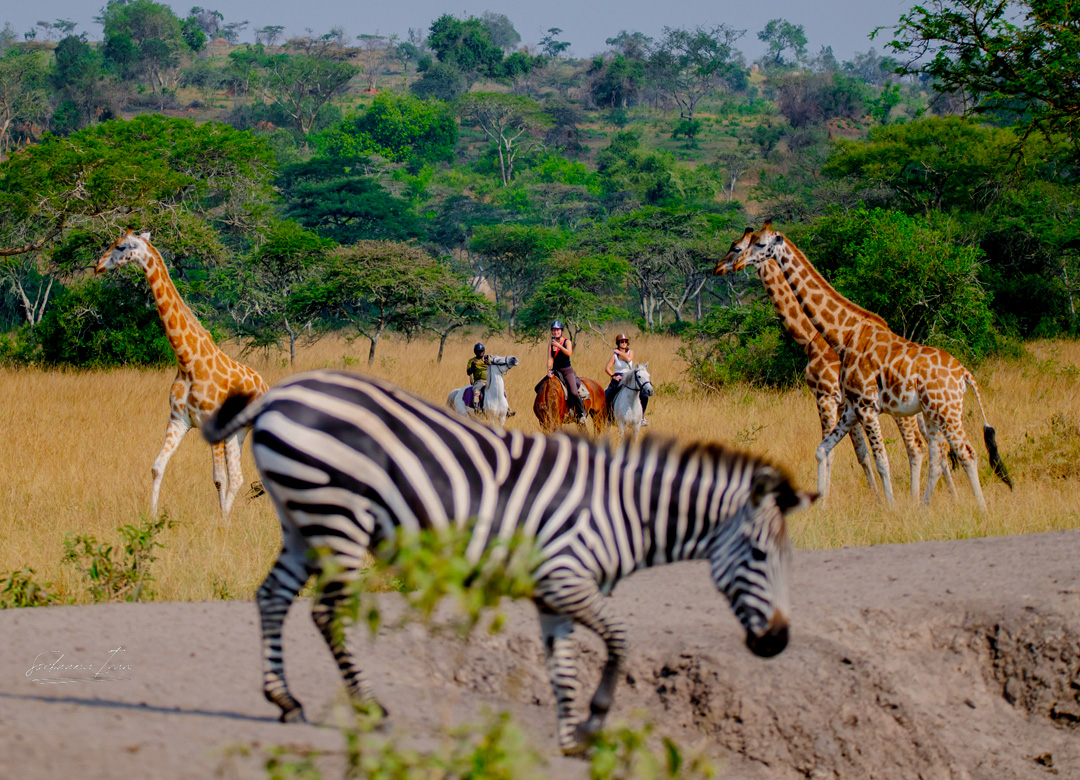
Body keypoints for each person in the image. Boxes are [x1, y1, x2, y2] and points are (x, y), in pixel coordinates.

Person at [604, 333, 649, 426]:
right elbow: (607, 368)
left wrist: (619, 352)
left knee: (644, 396)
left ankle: (642, 417)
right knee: (607, 395)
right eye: (621, 342)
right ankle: (608, 417)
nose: (624, 343)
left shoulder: (630, 352)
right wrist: (613, 376)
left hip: (629, 377)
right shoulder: (614, 356)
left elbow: (629, 359)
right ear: (618, 343)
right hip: (618, 377)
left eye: (625, 341)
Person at [547, 321, 587, 424]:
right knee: (539, 388)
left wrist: (558, 346)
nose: (556, 332)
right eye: (554, 330)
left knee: (573, 392)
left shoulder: (567, 342)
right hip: (556, 371)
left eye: (558, 330)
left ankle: (581, 413)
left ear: (561, 331)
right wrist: (549, 370)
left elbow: (569, 353)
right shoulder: (551, 344)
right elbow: (550, 358)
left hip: (567, 370)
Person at [466, 342, 488, 413]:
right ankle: (476, 406)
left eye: (481, 351)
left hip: (490, 380)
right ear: (475, 352)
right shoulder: (472, 360)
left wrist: (489, 363)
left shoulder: (488, 359)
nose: (480, 353)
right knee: (476, 391)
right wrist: (472, 366)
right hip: (479, 381)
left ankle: (507, 409)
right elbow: (468, 372)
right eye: (478, 352)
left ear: (484, 351)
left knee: (501, 391)